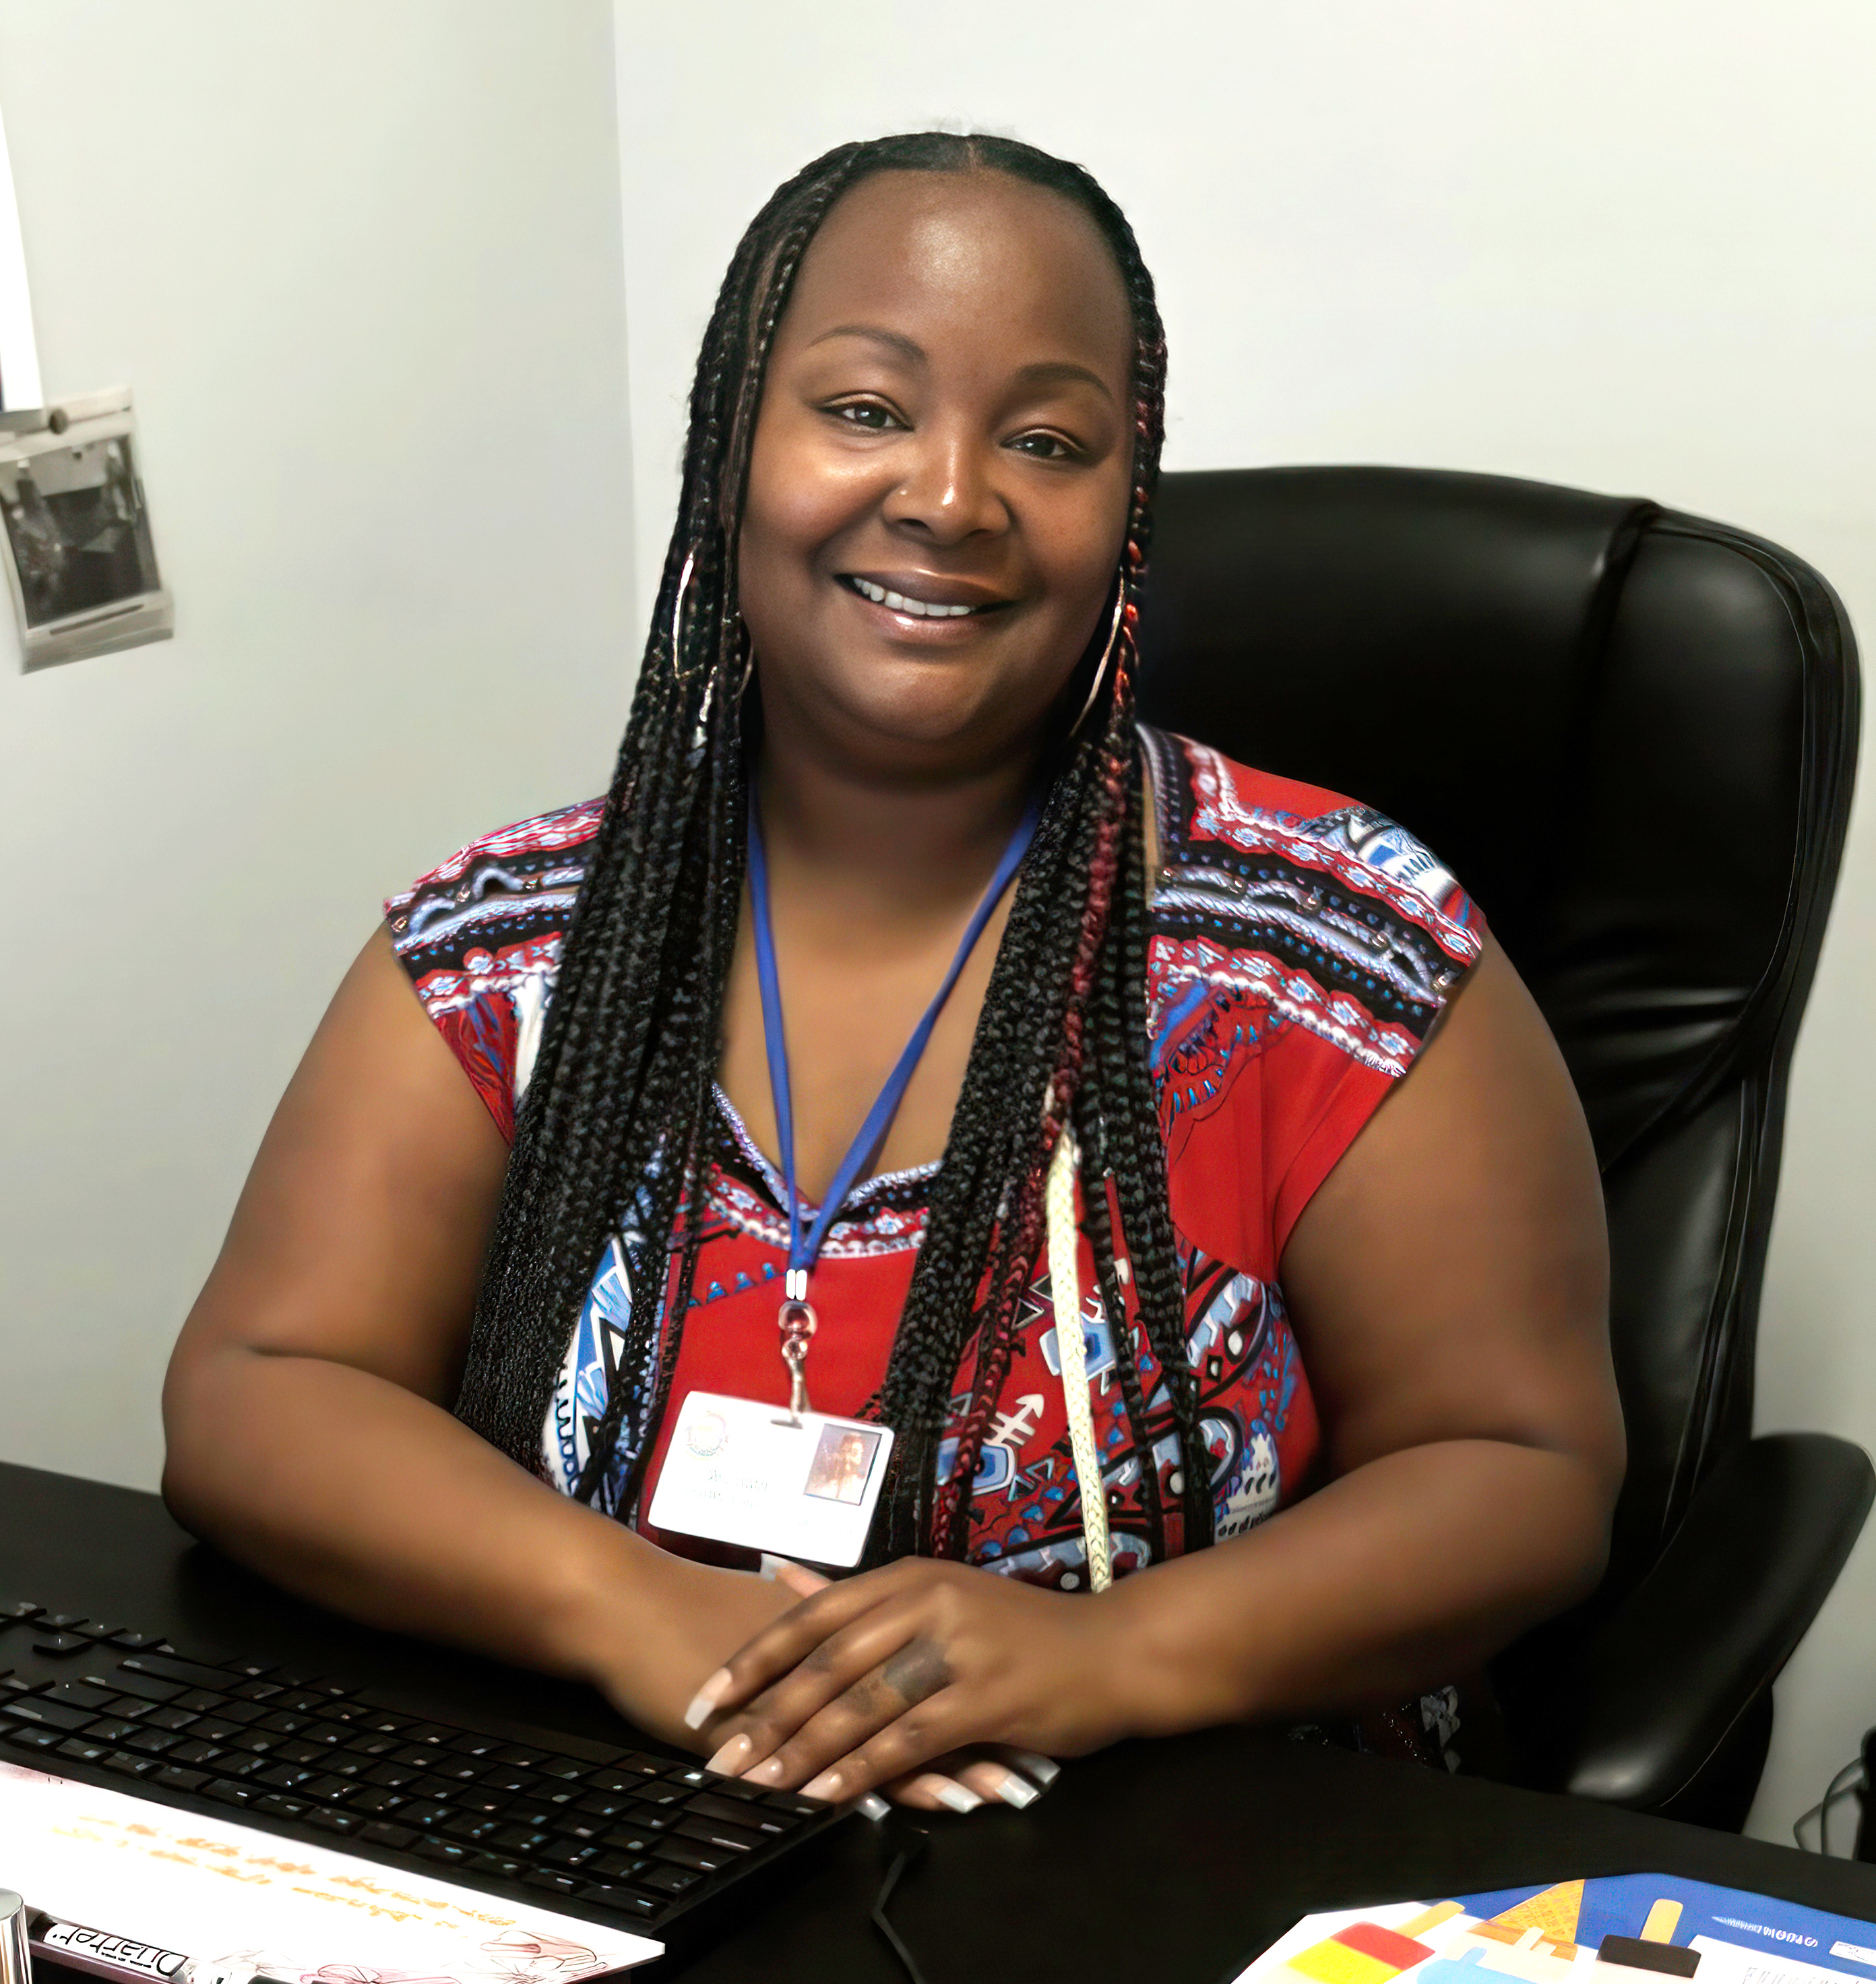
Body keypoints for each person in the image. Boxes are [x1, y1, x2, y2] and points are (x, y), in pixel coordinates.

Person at [162, 133, 1623, 1818]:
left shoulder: (1336, 946)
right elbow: (260, 1389)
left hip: (1180, 1852)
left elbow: (1521, 1471)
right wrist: (637, 1609)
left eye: (1050, 439)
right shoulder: (517, 938)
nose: (948, 495)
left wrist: (1118, 1650)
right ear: (732, 453)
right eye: (864, 409)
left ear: (1127, 512)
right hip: (626, 1818)